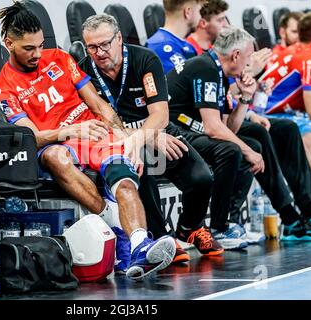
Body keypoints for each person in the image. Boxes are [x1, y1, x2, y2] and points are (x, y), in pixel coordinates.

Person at [0, 2, 176, 280]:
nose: (38, 54)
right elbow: (32, 138)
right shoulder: (5, 89)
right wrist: (70, 132)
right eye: (29, 48)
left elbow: (100, 105)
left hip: (95, 134)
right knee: (56, 157)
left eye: (41, 46)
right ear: (8, 43)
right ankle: (113, 219)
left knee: (124, 179)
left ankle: (140, 244)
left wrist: (128, 141)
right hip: (57, 143)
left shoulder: (60, 59)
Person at [79, 14, 224, 257]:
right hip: (121, 139)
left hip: (157, 130)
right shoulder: (83, 71)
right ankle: (160, 237)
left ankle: (190, 227)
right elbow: (98, 120)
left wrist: (146, 135)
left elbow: (160, 115)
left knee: (201, 178)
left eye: (105, 44)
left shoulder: (145, 59)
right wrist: (143, 137)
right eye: (92, 47)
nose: (100, 52)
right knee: (139, 165)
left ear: (119, 39)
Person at [167, 26, 311, 243]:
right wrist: (249, 152)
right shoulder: (206, 68)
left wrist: (246, 98)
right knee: (236, 149)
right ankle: (221, 225)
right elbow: (213, 128)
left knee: (271, 133)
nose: (250, 65)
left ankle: (298, 212)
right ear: (236, 55)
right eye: (249, 58)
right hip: (175, 132)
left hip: (196, 128)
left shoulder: (218, 72)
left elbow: (229, 128)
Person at [259, 12, 311, 184]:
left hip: (278, 113)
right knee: (310, 133)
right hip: (266, 116)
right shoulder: (310, 58)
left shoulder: (298, 50)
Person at [146, 0, 205, 74]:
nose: (201, 17)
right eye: (200, 11)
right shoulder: (161, 48)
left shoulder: (186, 46)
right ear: (188, 12)